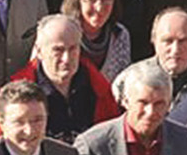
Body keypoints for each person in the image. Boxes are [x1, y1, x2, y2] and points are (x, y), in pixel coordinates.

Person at [7, 14, 119, 144]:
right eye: (58, 50)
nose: (66, 58)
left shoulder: (99, 89)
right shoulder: (15, 96)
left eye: (73, 49)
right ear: (39, 51)